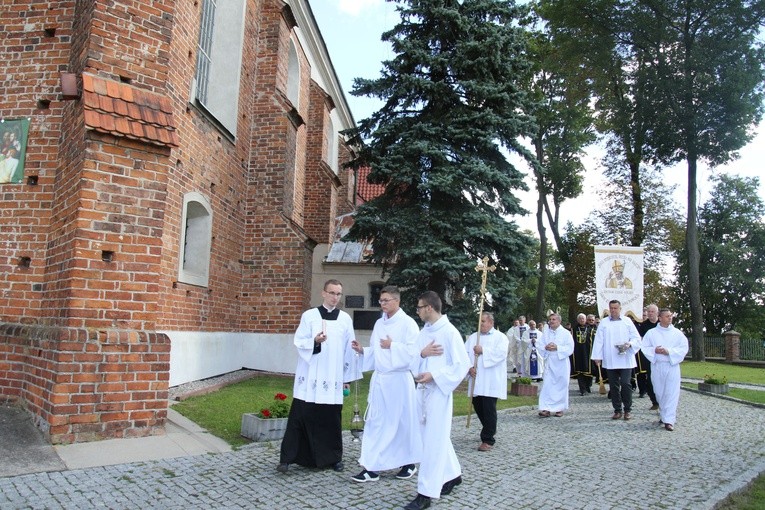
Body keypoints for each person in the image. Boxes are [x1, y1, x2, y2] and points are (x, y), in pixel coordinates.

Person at [277, 279, 361, 473]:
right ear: (323, 293)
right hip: (311, 375)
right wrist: (315, 341)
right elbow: (299, 341)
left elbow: (349, 350)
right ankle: (287, 458)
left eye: (338, 294)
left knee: (331, 419)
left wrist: (346, 379)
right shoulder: (310, 316)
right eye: (331, 293)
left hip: (332, 378)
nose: (335, 298)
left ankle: (333, 458)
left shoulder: (345, 320)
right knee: (300, 415)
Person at [404, 291, 470, 510]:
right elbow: (413, 359)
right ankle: (452, 475)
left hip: (439, 393)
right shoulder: (425, 332)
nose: (418, 311)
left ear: (429, 308)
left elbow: (461, 365)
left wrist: (435, 375)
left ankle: (425, 493)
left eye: (420, 307)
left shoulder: (450, 332)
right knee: (432, 437)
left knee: (433, 442)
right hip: (422, 391)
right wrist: (422, 355)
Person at [350, 286, 421, 482]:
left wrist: (393, 346)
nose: (382, 304)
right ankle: (371, 467)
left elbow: (414, 353)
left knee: (400, 423)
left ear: (397, 301)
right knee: (376, 422)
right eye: (381, 300)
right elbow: (376, 350)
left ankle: (408, 463)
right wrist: (363, 351)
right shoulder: (380, 324)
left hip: (399, 381)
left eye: (386, 300)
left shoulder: (408, 324)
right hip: (381, 380)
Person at [465, 312, 508, 452]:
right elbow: (464, 354)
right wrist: (469, 368)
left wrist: (483, 350)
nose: (480, 324)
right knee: (478, 406)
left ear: (491, 323)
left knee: (489, 409)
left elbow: (501, 354)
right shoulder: (473, 337)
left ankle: (488, 439)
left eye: (483, 321)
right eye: (479, 321)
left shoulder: (500, 337)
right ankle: (489, 428)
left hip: (490, 380)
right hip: (477, 379)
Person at [592, 300, 641, 420]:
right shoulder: (604, 322)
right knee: (613, 386)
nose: (613, 310)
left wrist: (629, 344)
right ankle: (617, 409)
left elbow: (636, 338)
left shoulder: (627, 321)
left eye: (615, 308)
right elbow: (599, 340)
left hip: (625, 358)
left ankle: (628, 409)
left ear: (620, 309)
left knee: (625, 383)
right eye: (611, 308)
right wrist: (597, 357)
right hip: (611, 358)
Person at [640, 308, 689, 431]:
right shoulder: (651, 333)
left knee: (671, 392)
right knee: (659, 392)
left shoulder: (677, 333)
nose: (670, 318)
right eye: (667, 316)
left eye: (671, 316)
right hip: (657, 366)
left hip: (671, 365)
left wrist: (669, 352)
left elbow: (683, 348)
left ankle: (669, 420)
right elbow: (644, 347)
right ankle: (663, 415)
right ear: (660, 318)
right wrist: (654, 351)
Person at [536, 313, 575, 418]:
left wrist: (558, 347)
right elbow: (539, 344)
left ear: (559, 321)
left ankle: (559, 408)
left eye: (554, 319)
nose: (551, 321)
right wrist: (545, 347)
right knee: (548, 385)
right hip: (550, 361)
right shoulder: (546, 332)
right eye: (550, 319)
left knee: (561, 384)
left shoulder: (566, 333)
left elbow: (570, 348)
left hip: (561, 362)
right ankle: (546, 408)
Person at [635, 304, 660, 410]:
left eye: (652, 312)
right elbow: (640, 340)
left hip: (662, 356)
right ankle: (654, 401)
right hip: (649, 356)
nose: (650, 314)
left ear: (657, 313)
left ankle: (662, 400)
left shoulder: (662, 324)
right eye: (649, 312)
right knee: (650, 379)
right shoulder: (643, 326)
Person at [571, 313, 595, 395]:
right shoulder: (573, 330)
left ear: (585, 320)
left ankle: (588, 386)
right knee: (580, 372)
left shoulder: (590, 329)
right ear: (578, 320)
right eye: (580, 318)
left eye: (583, 319)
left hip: (588, 352)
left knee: (588, 371)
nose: (582, 320)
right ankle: (582, 389)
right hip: (577, 353)